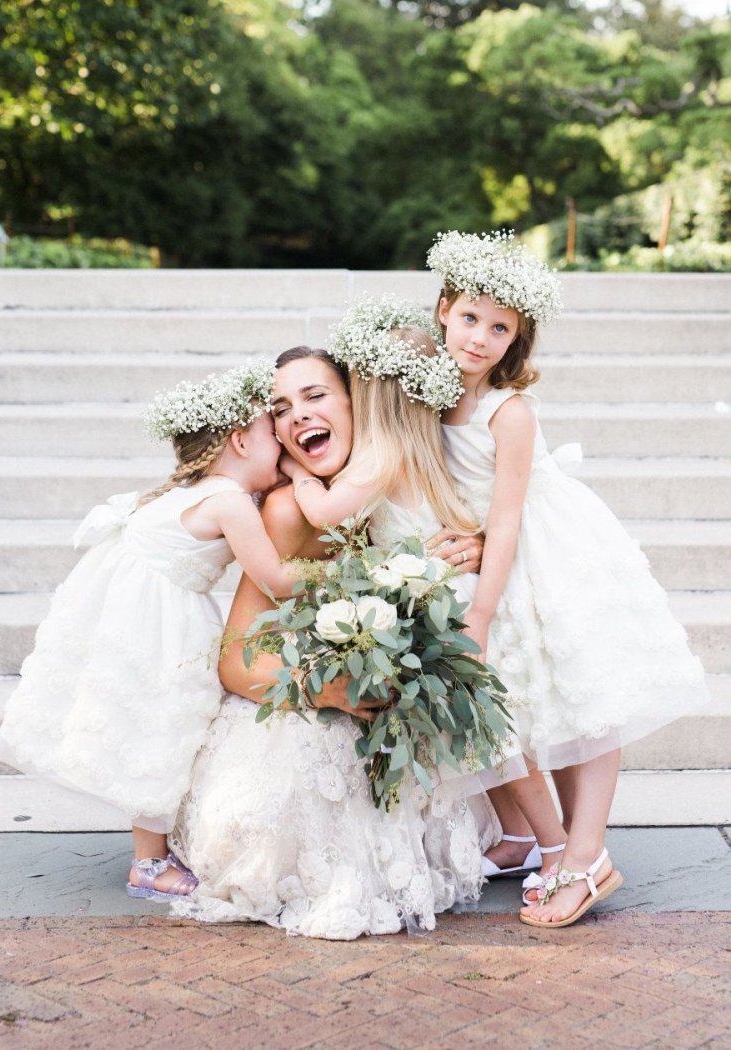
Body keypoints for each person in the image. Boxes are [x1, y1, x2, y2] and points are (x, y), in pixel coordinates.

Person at [169, 332, 494, 939]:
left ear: (358, 403)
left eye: (315, 396)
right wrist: (332, 693)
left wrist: (466, 551)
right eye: (282, 410)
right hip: (299, 704)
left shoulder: (390, 488)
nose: (297, 418)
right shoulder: (290, 512)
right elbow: (237, 663)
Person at [428, 229, 711, 927]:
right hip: (497, 544)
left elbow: (512, 512)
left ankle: (585, 856)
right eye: (470, 318)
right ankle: (552, 849)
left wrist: (481, 614)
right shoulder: (431, 394)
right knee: (541, 704)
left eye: (500, 328)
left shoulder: (508, 410)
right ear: (443, 310)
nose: (480, 337)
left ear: (516, 340)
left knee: (588, 694)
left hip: (548, 546)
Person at [0, 362, 312, 902]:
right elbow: (277, 578)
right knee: (165, 730)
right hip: (163, 623)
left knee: (159, 732)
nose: (283, 452)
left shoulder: (208, 490)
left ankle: (154, 853)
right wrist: (340, 569)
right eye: (274, 444)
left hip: (141, 610)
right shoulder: (229, 500)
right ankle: (148, 864)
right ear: (239, 440)